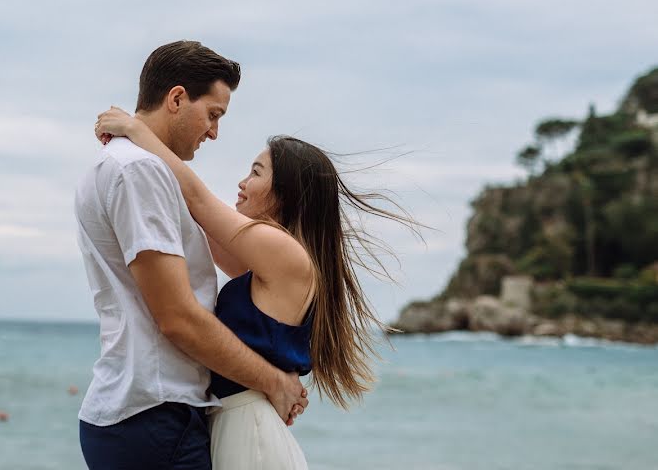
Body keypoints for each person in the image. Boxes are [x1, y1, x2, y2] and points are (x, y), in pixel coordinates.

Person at [94, 106, 421, 469]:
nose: (242, 182)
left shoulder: (281, 251)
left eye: (256, 172)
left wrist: (138, 131)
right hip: (240, 421)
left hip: (248, 427)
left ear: (283, 194)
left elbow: (200, 201)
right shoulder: (276, 258)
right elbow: (195, 217)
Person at [74, 41, 308, 470]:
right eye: (213, 114)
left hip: (149, 409)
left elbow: (209, 216)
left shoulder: (128, 166)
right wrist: (274, 382)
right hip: (155, 410)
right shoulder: (139, 171)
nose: (215, 132)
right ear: (177, 98)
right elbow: (178, 317)